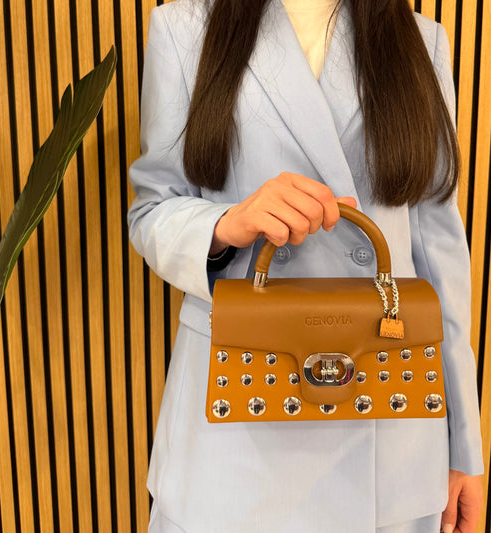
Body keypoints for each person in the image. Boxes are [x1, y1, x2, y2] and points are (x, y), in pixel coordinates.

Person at [127, 0, 484, 531]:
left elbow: (440, 255)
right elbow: (152, 210)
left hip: (389, 413)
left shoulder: (419, 39)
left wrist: (464, 446)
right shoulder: (185, 29)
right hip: (238, 417)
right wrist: (228, 221)